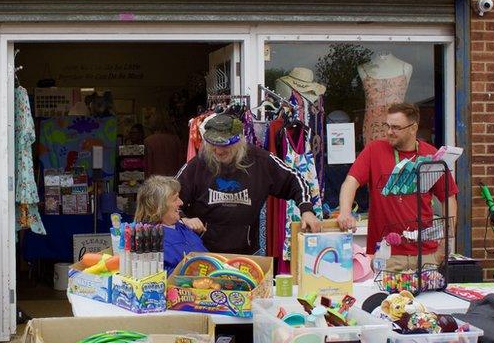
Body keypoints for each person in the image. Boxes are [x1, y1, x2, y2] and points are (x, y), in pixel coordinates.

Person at [176, 113, 321, 255]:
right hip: (204, 251)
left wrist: (306, 210)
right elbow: (169, 197)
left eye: (225, 145)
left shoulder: (260, 160)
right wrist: (184, 219)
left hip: (247, 253)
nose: (218, 151)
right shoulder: (197, 165)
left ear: (239, 141)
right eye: (213, 145)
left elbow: (295, 180)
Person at [337, 102, 458, 269]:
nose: (389, 132)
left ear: (413, 128)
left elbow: (448, 197)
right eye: (387, 125)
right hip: (387, 254)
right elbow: (351, 181)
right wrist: (345, 212)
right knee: (386, 296)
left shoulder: (431, 155)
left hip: (427, 254)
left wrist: (446, 240)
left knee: (430, 296)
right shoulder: (375, 150)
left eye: (396, 127)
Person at [135, 175, 206, 272]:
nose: (181, 202)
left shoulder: (182, 226)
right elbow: (160, 275)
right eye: (175, 199)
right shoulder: (148, 238)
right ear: (158, 206)